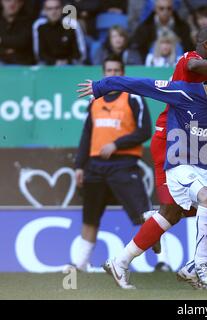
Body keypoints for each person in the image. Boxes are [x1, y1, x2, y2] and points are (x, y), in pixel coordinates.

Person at [81, 27, 207, 289]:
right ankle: (190, 261)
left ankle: (147, 245)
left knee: (181, 211)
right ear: (205, 44)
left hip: (198, 151)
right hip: (170, 141)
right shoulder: (190, 62)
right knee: (179, 208)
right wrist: (101, 86)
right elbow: (146, 82)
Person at [72, 55, 153, 272]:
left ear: (123, 73)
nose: (113, 74)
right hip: (95, 167)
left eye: (117, 71)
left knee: (143, 216)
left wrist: (116, 144)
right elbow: (87, 134)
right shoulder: (95, 100)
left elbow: (145, 130)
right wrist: (79, 166)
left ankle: (163, 261)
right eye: (109, 71)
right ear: (103, 74)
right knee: (90, 218)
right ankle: (80, 264)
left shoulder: (132, 97)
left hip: (124, 164)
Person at [36, 0, 87, 65]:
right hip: (49, 66)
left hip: (70, 65)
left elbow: (79, 54)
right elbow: (41, 54)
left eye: (56, 8)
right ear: (44, 11)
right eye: (50, 9)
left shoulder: (71, 26)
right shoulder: (40, 28)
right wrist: (55, 62)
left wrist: (66, 62)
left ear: (62, 9)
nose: (53, 12)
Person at [0, 0, 34, 65]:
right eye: (8, 0)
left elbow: (23, 41)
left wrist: (1, 40)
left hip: (22, 63)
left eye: (17, 1)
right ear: (1, 1)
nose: (12, 3)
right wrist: (4, 51)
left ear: (22, 3)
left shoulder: (28, 21)